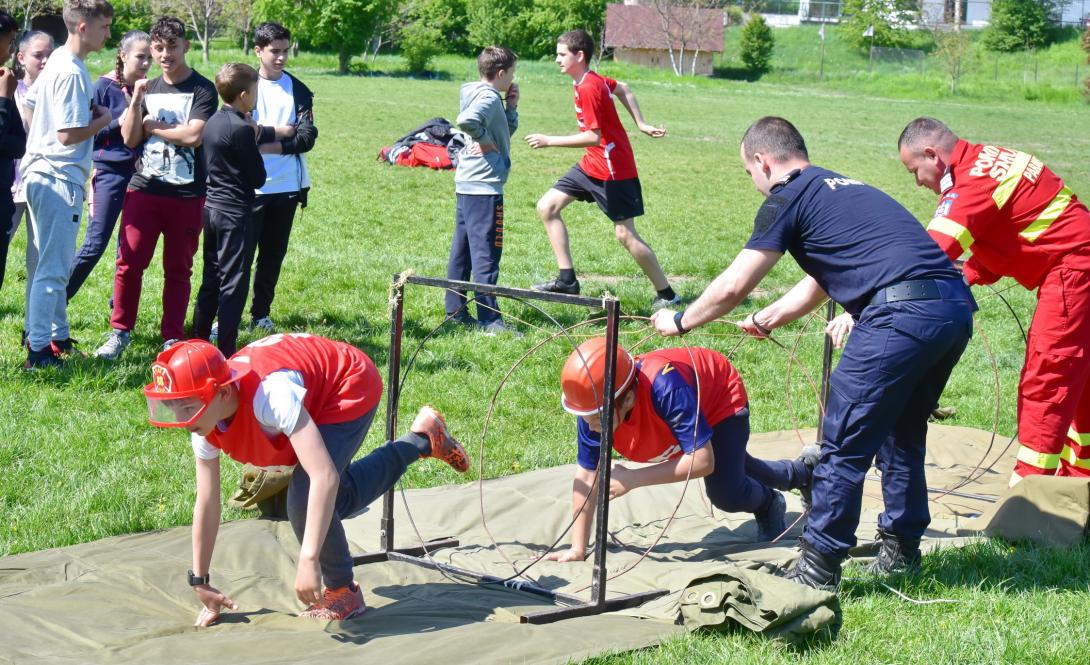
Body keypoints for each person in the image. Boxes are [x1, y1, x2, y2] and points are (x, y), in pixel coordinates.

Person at [650, 117, 975, 590]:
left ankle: (818, 566)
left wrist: (679, 321)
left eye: (749, 174)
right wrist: (770, 319)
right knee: (902, 432)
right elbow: (824, 279)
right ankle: (901, 552)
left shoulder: (789, 195)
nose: (755, 185)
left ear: (763, 161)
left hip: (898, 317)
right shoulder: (843, 188)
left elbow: (736, 283)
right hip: (951, 310)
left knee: (842, 443)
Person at [142, 334, 471, 624]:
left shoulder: (270, 397)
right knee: (330, 503)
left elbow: (324, 476)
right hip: (309, 389)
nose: (183, 420)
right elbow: (207, 501)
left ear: (224, 392)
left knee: (306, 494)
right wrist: (200, 580)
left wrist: (309, 558)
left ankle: (343, 590)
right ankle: (422, 440)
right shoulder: (205, 419)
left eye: (188, 407)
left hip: (347, 382)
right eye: (175, 408)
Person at [898, 117, 1090, 483]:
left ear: (931, 155)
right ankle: (1079, 484)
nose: (918, 183)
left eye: (914, 171)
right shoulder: (992, 158)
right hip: (1078, 261)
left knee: (1048, 376)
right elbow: (1008, 232)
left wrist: (873, 288)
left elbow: (926, 254)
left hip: (1075, 272)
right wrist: (967, 274)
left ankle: (1032, 496)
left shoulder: (971, 182)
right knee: (1082, 382)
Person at [547, 337, 816, 562]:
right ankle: (802, 471)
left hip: (718, 397)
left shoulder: (665, 389)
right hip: (683, 407)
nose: (590, 424)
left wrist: (633, 478)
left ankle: (769, 503)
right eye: (585, 415)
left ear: (627, 398)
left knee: (726, 491)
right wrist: (578, 548)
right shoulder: (593, 411)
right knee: (730, 463)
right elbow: (585, 479)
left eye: (597, 416)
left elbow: (702, 461)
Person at [524, 29, 678, 310]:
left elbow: (593, 136)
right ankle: (567, 280)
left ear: (579, 56)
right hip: (591, 165)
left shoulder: (588, 87)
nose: (556, 59)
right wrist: (641, 124)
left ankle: (667, 294)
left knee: (625, 235)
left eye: (561, 54)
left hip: (613, 170)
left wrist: (549, 141)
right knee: (547, 207)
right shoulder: (588, 79)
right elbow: (624, 88)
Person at [21, 0, 114, 368]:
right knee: (53, 268)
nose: (108, 33)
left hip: (39, 174)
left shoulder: (58, 59)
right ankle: (39, 351)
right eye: (104, 26)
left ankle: (54, 337)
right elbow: (67, 135)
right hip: (59, 178)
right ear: (82, 27)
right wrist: (103, 119)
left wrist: (39, 140)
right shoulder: (73, 71)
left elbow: (29, 104)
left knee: (43, 262)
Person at [243, 21, 317, 335]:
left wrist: (266, 143)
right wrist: (277, 137)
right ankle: (225, 315)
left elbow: (307, 137)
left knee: (272, 256)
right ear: (258, 51)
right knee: (239, 257)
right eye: (275, 51)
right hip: (249, 187)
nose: (282, 57)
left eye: (286, 51)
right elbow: (238, 133)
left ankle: (261, 313)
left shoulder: (298, 89)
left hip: (287, 187)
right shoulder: (243, 85)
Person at [65, 29, 150, 302]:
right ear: (123, 55)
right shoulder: (103, 87)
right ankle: (57, 302)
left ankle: (120, 312)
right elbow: (88, 135)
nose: (147, 63)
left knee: (128, 250)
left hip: (141, 177)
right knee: (95, 243)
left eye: (150, 57)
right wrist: (120, 121)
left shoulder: (151, 87)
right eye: (141, 57)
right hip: (109, 173)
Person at [191, 63, 266, 357]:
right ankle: (227, 348)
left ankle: (197, 340)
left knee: (211, 275)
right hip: (236, 212)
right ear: (244, 95)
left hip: (211, 209)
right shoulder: (241, 130)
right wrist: (255, 136)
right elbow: (258, 176)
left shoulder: (212, 122)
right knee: (234, 281)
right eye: (256, 91)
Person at [444, 45, 519, 335]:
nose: (512, 79)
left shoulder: (480, 94)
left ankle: (455, 311)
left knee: (462, 252)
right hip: (484, 187)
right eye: (511, 73)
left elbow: (502, 134)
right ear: (500, 73)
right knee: (487, 254)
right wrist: (486, 142)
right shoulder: (488, 98)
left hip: (468, 184)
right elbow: (467, 122)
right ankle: (490, 320)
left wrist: (510, 108)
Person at [0, 13, 27, 296]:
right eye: (8, 41)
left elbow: (19, 144)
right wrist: (4, 100)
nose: (11, 48)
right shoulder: (5, 89)